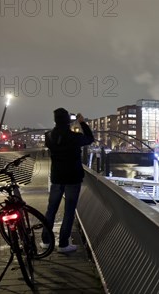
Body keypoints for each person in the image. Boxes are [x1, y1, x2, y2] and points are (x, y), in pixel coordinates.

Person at [43, 108, 94, 253]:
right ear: (68, 121)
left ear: (55, 120)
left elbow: (57, 139)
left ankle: (46, 240)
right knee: (69, 211)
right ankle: (63, 244)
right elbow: (90, 139)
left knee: (51, 210)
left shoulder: (49, 136)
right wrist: (82, 123)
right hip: (72, 178)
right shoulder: (74, 137)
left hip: (57, 178)